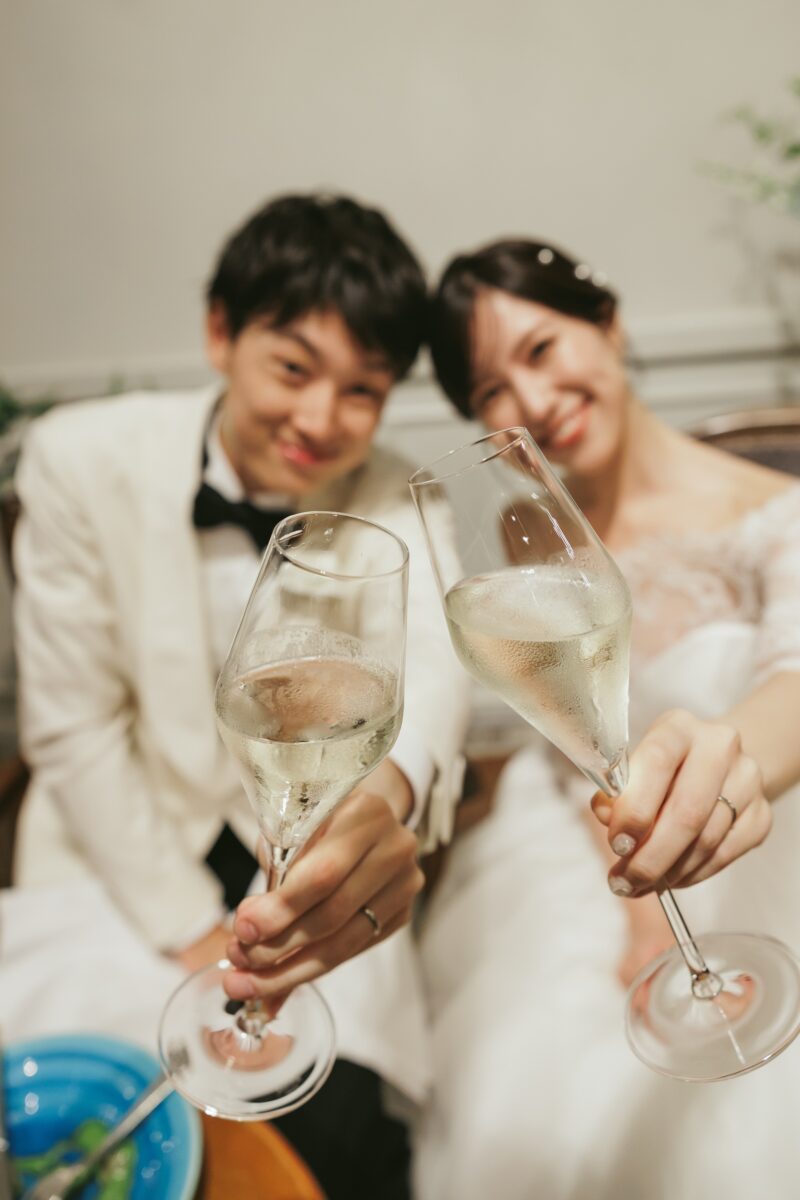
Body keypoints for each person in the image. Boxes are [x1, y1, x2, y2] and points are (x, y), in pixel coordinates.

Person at [12, 192, 469, 1199]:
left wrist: (379, 802)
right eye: (294, 369)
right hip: (119, 840)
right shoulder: (78, 459)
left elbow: (436, 677)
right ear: (221, 332)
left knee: (340, 1137)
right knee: (88, 1121)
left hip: (316, 834)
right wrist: (192, 929)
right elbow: (75, 730)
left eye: (362, 390)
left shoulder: (401, 496)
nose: (320, 419)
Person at [412, 237, 800, 1200]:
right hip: (586, 835)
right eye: (491, 390)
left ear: (610, 324)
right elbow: (568, 734)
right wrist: (631, 907)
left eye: (542, 350)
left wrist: (726, 769)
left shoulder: (775, 509)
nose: (532, 403)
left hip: (760, 827)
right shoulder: (526, 530)